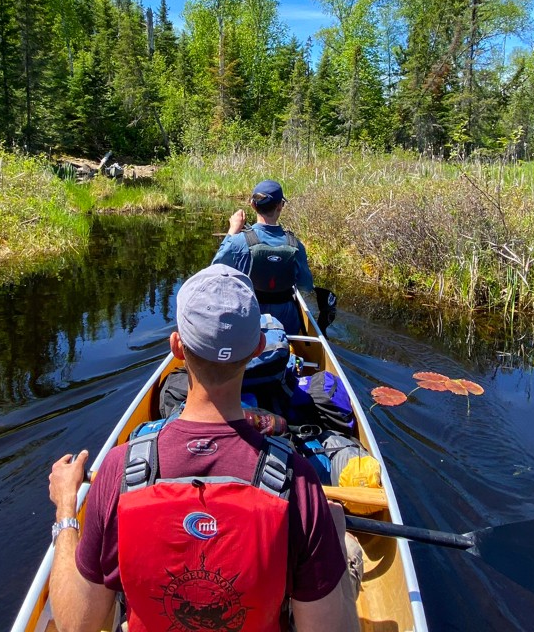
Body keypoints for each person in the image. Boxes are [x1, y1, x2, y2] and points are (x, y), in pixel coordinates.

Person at [47, 265, 358, 632]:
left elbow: (75, 625)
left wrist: (67, 510)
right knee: (349, 549)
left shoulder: (120, 467)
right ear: (259, 347)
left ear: (177, 347)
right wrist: (333, 536)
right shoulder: (298, 482)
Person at [212, 180, 314, 335]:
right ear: (280, 206)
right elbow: (306, 286)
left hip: (249, 318)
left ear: (253, 205)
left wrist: (232, 231)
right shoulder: (296, 246)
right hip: (286, 323)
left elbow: (215, 270)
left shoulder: (237, 242)